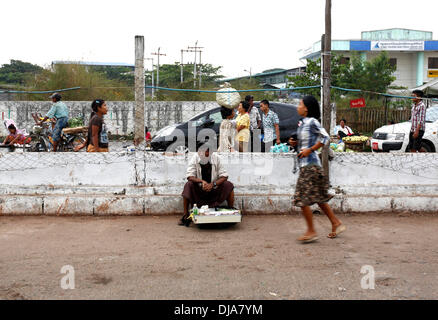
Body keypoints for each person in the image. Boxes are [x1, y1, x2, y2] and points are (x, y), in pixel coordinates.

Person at [292, 95, 345, 243]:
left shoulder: (312, 122)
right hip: (306, 165)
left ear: (306, 108)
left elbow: (326, 138)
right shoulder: (302, 123)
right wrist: (295, 143)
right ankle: (335, 223)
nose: (298, 106)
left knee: (301, 198)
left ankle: (311, 231)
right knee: (319, 198)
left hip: (311, 166)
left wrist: (310, 149)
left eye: (300, 104)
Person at [179, 148, 235, 226]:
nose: (201, 154)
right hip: (200, 191)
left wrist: (213, 184)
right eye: (200, 151)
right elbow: (189, 176)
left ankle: (231, 212)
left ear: (210, 152)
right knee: (188, 185)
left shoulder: (216, 158)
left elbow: (224, 176)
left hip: (214, 190)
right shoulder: (195, 158)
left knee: (228, 185)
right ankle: (185, 215)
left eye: (204, 151)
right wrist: (201, 182)